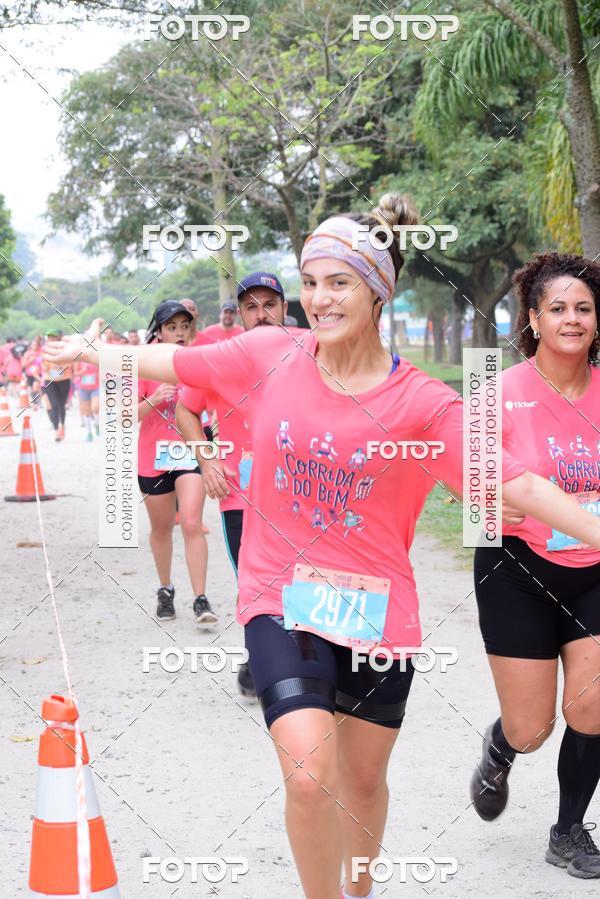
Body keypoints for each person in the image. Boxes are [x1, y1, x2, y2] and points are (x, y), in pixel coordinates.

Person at [43, 199, 600, 899]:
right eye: (310, 281)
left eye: (338, 282)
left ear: (376, 290)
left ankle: (360, 886)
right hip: (281, 597)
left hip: (378, 614)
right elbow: (177, 358)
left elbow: (511, 481)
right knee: (309, 773)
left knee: (363, 782)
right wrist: (94, 350)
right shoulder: (270, 353)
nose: (318, 298)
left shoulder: (424, 403)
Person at [471, 252, 600, 878]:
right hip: (516, 570)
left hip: (597, 570)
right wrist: (504, 504)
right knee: (531, 729)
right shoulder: (496, 391)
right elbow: (466, 490)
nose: (571, 319)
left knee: (594, 704)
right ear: (534, 318)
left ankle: (570, 829)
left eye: (583, 308)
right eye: (558, 309)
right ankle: (501, 748)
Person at [176, 272, 288, 697]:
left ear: (284, 308)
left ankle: (283, 659)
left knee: (300, 579)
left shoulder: (310, 352)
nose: (261, 315)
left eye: (270, 305)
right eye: (250, 307)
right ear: (238, 315)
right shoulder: (221, 359)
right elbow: (187, 409)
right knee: (253, 581)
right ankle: (261, 660)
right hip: (238, 493)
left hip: (299, 494)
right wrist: (205, 460)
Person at [137, 300, 216, 625]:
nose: (180, 333)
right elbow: (122, 416)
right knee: (161, 529)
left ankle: (200, 598)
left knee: (192, 523)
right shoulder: (143, 362)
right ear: (159, 331)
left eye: (185, 326)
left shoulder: (199, 360)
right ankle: (165, 589)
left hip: (189, 453)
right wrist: (153, 401)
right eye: (172, 327)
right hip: (152, 458)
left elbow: (214, 407)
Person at [41, 329, 72, 441]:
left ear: (58, 338)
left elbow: (70, 362)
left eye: (54, 337)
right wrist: (46, 367)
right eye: (49, 337)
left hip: (64, 379)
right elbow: (43, 363)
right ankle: (56, 431)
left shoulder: (65, 348)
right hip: (50, 380)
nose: (51, 339)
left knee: (61, 404)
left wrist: (61, 366)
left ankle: (62, 426)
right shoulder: (45, 349)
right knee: (53, 404)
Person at [74, 359, 100, 441]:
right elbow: (75, 373)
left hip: (96, 387)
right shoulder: (79, 360)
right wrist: (82, 371)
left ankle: (97, 424)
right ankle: (89, 433)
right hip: (83, 388)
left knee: (95, 408)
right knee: (87, 413)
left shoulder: (96, 357)